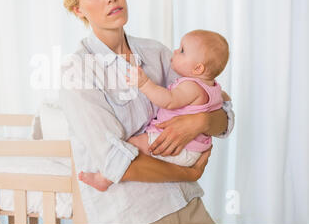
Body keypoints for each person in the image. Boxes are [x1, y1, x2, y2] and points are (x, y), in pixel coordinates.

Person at [59, 0, 235, 224]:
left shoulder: (156, 53)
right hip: (138, 213)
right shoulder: (78, 72)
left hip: (187, 201)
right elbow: (116, 163)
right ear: (78, 10)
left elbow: (224, 116)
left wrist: (199, 121)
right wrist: (188, 173)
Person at [78, 30, 231, 192]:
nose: (175, 51)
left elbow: (170, 100)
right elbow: (225, 106)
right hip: (192, 150)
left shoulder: (191, 86)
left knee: (133, 145)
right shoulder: (214, 87)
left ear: (198, 68)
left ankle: (104, 179)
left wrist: (145, 84)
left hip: (181, 147)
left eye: (182, 51)